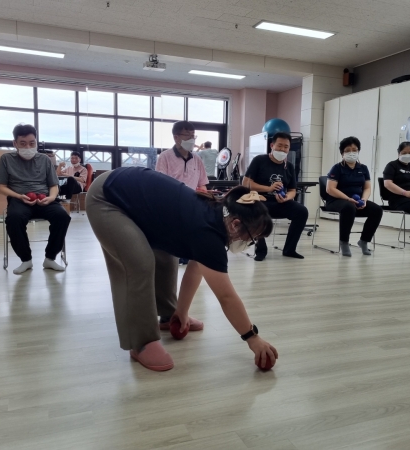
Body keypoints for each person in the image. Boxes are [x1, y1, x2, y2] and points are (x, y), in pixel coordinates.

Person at [85, 166, 278, 371]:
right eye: (252, 237)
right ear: (235, 224)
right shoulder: (207, 232)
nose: (249, 243)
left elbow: (196, 269)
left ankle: (170, 315)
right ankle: (141, 341)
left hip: (131, 194)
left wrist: (182, 312)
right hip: (107, 197)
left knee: (167, 257)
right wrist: (252, 338)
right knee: (139, 265)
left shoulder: (217, 216)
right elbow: (226, 297)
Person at [0, 124, 71, 274]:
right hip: (19, 199)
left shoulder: (44, 159)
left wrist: (51, 197)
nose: (28, 147)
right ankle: (26, 260)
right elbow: (1, 187)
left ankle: (50, 258)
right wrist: (18, 196)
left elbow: (54, 185)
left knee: (62, 216)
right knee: (14, 219)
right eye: (23, 143)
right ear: (15, 143)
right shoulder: (6, 159)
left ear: (36, 142)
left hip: (44, 198)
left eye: (32, 143)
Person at [243, 132, 308, 261]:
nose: (282, 149)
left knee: (301, 211)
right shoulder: (259, 160)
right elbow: (246, 183)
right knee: (257, 211)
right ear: (272, 146)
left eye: (286, 147)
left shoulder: (289, 166)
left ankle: (289, 249)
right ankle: (261, 250)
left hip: (279, 202)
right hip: (259, 200)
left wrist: (287, 198)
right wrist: (269, 188)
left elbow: (292, 190)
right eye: (279, 145)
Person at [156, 120, 208, 268]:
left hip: (191, 204)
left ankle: (186, 257)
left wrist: (202, 198)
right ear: (176, 137)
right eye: (187, 136)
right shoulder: (165, 157)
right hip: (171, 204)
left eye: (193, 136)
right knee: (172, 239)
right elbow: (160, 184)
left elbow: (202, 184)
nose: (191, 140)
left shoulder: (197, 159)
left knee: (190, 235)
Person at [325, 136, 383, 256]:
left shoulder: (363, 168)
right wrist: (348, 199)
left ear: (358, 151)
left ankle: (364, 241)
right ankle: (344, 242)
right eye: (347, 150)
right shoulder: (337, 168)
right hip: (336, 201)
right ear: (342, 153)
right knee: (349, 207)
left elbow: (367, 188)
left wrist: (364, 200)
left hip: (357, 201)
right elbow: (330, 189)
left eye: (354, 150)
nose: (351, 153)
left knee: (377, 210)